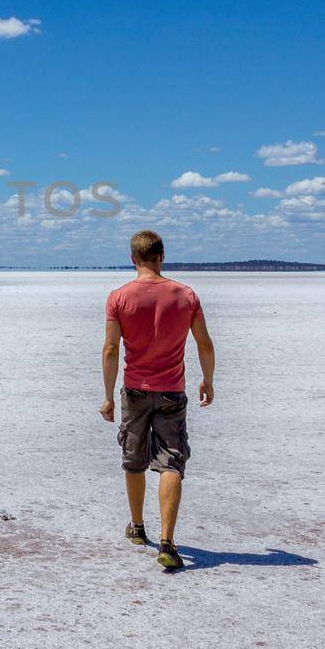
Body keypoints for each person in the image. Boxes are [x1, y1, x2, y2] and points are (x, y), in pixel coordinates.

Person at [99, 230, 215, 570]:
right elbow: (204, 344)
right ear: (162, 256)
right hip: (171, 392)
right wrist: (208, 379)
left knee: (133, 459)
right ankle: (167, 541)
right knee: (171, 462)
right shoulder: (185, 295)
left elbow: (110, 348)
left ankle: (137, 528)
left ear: (133, 259)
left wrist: (108, 397)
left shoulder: (118, 297)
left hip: (134, 390)